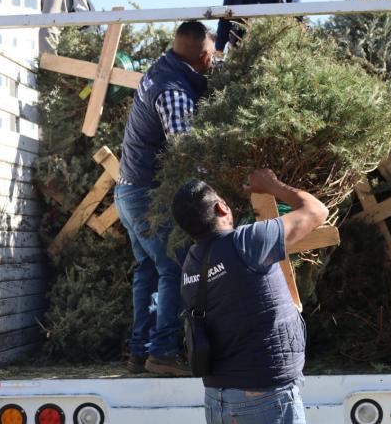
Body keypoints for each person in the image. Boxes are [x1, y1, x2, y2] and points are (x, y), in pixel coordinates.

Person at [172, 169, 328, 424]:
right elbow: (317, 211)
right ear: (221, 208)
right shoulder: (246, 242)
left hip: (219, 399)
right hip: (262, 399)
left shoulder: (191, 263)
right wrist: (273, 185)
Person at [116, 21, 216, 376]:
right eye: (213, 57)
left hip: (127, 190)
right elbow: (186, 151)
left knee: (148, 270)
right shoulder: (173, 91)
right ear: (204, 55)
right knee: (172, 269)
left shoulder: (160, 71)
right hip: (147, 195)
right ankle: (161, 354)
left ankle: (139, 353)